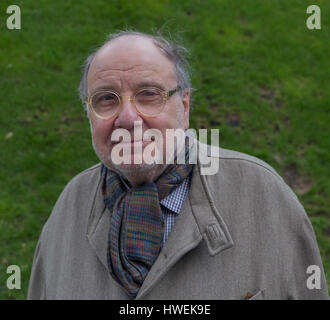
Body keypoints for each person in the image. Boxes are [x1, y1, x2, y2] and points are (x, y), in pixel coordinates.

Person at [27, 30, 329, 300]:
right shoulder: (68, 207)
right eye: (106, 99)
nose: (128, 119)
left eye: (148, 95)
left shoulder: (263, 195)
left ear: (184, 106)